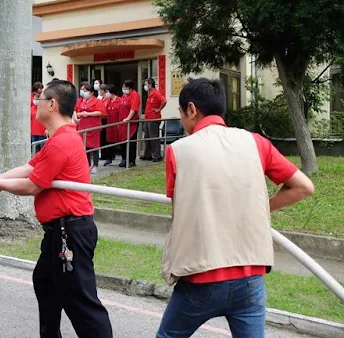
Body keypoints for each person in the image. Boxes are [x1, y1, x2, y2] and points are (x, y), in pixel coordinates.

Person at [157, 78, 314, 337]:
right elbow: (303, 187)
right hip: (250, 277)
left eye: (181, 114)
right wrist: (264, 207)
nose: (182, 122)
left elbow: (181, 214)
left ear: (192, 110)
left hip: (200, 277)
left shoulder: (178, 151)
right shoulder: (256, 142)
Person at [0, 80, 113, 338]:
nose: (36, 103)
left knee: (81, 303)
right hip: (59, 232)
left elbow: (33, 185)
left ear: (52, 105)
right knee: (45, 283)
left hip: (71, 232)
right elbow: (29, 168)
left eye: (39, 100)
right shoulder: (59, 139)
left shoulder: (63, 142)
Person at [73, 82, 104, 175]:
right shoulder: (80, 100)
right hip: (82, 127)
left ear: (91, 93)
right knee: (84, 147)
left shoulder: (97, 101)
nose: (83, 92)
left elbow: (100, 112)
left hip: (93, 127)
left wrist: (88, 114)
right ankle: (86, 165)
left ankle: (95, 165)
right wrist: (76, 117)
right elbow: (74, 110)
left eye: (86, 91)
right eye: (82, 90)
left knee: (94, 147)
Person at [140, 78, 166, 162]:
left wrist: (159, 109)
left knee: (154, 137)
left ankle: (157, 155)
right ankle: (147, 154)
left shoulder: (156, 93)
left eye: (146, 84)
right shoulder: (149, 93)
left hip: (154, 118)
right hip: (148, 118)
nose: (145, 86)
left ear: (150, 84)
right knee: (147, 137)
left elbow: (164, 101)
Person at [118, 79, 140, 168]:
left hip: (131, 123)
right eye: (123, 87)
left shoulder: (135, 95)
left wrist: (128, 118)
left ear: (130, 89)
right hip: (123, 123)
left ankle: (131, 160)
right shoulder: (124, 95)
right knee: (123, 141)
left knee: (131, 142)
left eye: (125, 88)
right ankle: (125, 159)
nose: (124, 89)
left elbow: (133, 109)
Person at [103, 84, 121, 166]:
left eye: (107, 92)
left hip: (118, 126)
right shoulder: (108, 102)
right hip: (109, 126)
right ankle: (109, 158)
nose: (106, 94)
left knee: (120, 143)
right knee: (109, 143)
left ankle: (124, 158)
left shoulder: (119, 101)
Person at [98, 84, 112, 164]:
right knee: (101, 138)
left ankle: (107, 154)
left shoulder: (107, 99)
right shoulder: (101, 99)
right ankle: (103, 154)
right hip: (101, 118)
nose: (99, 91)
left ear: (104, 91)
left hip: (105, 119)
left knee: (105, 138)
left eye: (100, 90)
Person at [31, 82, 47, 153]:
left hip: (42, 131)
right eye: (40, 88)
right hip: (33, 132)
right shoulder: (31, 107)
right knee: (35, 151)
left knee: (42, 150)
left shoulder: (44, 106)